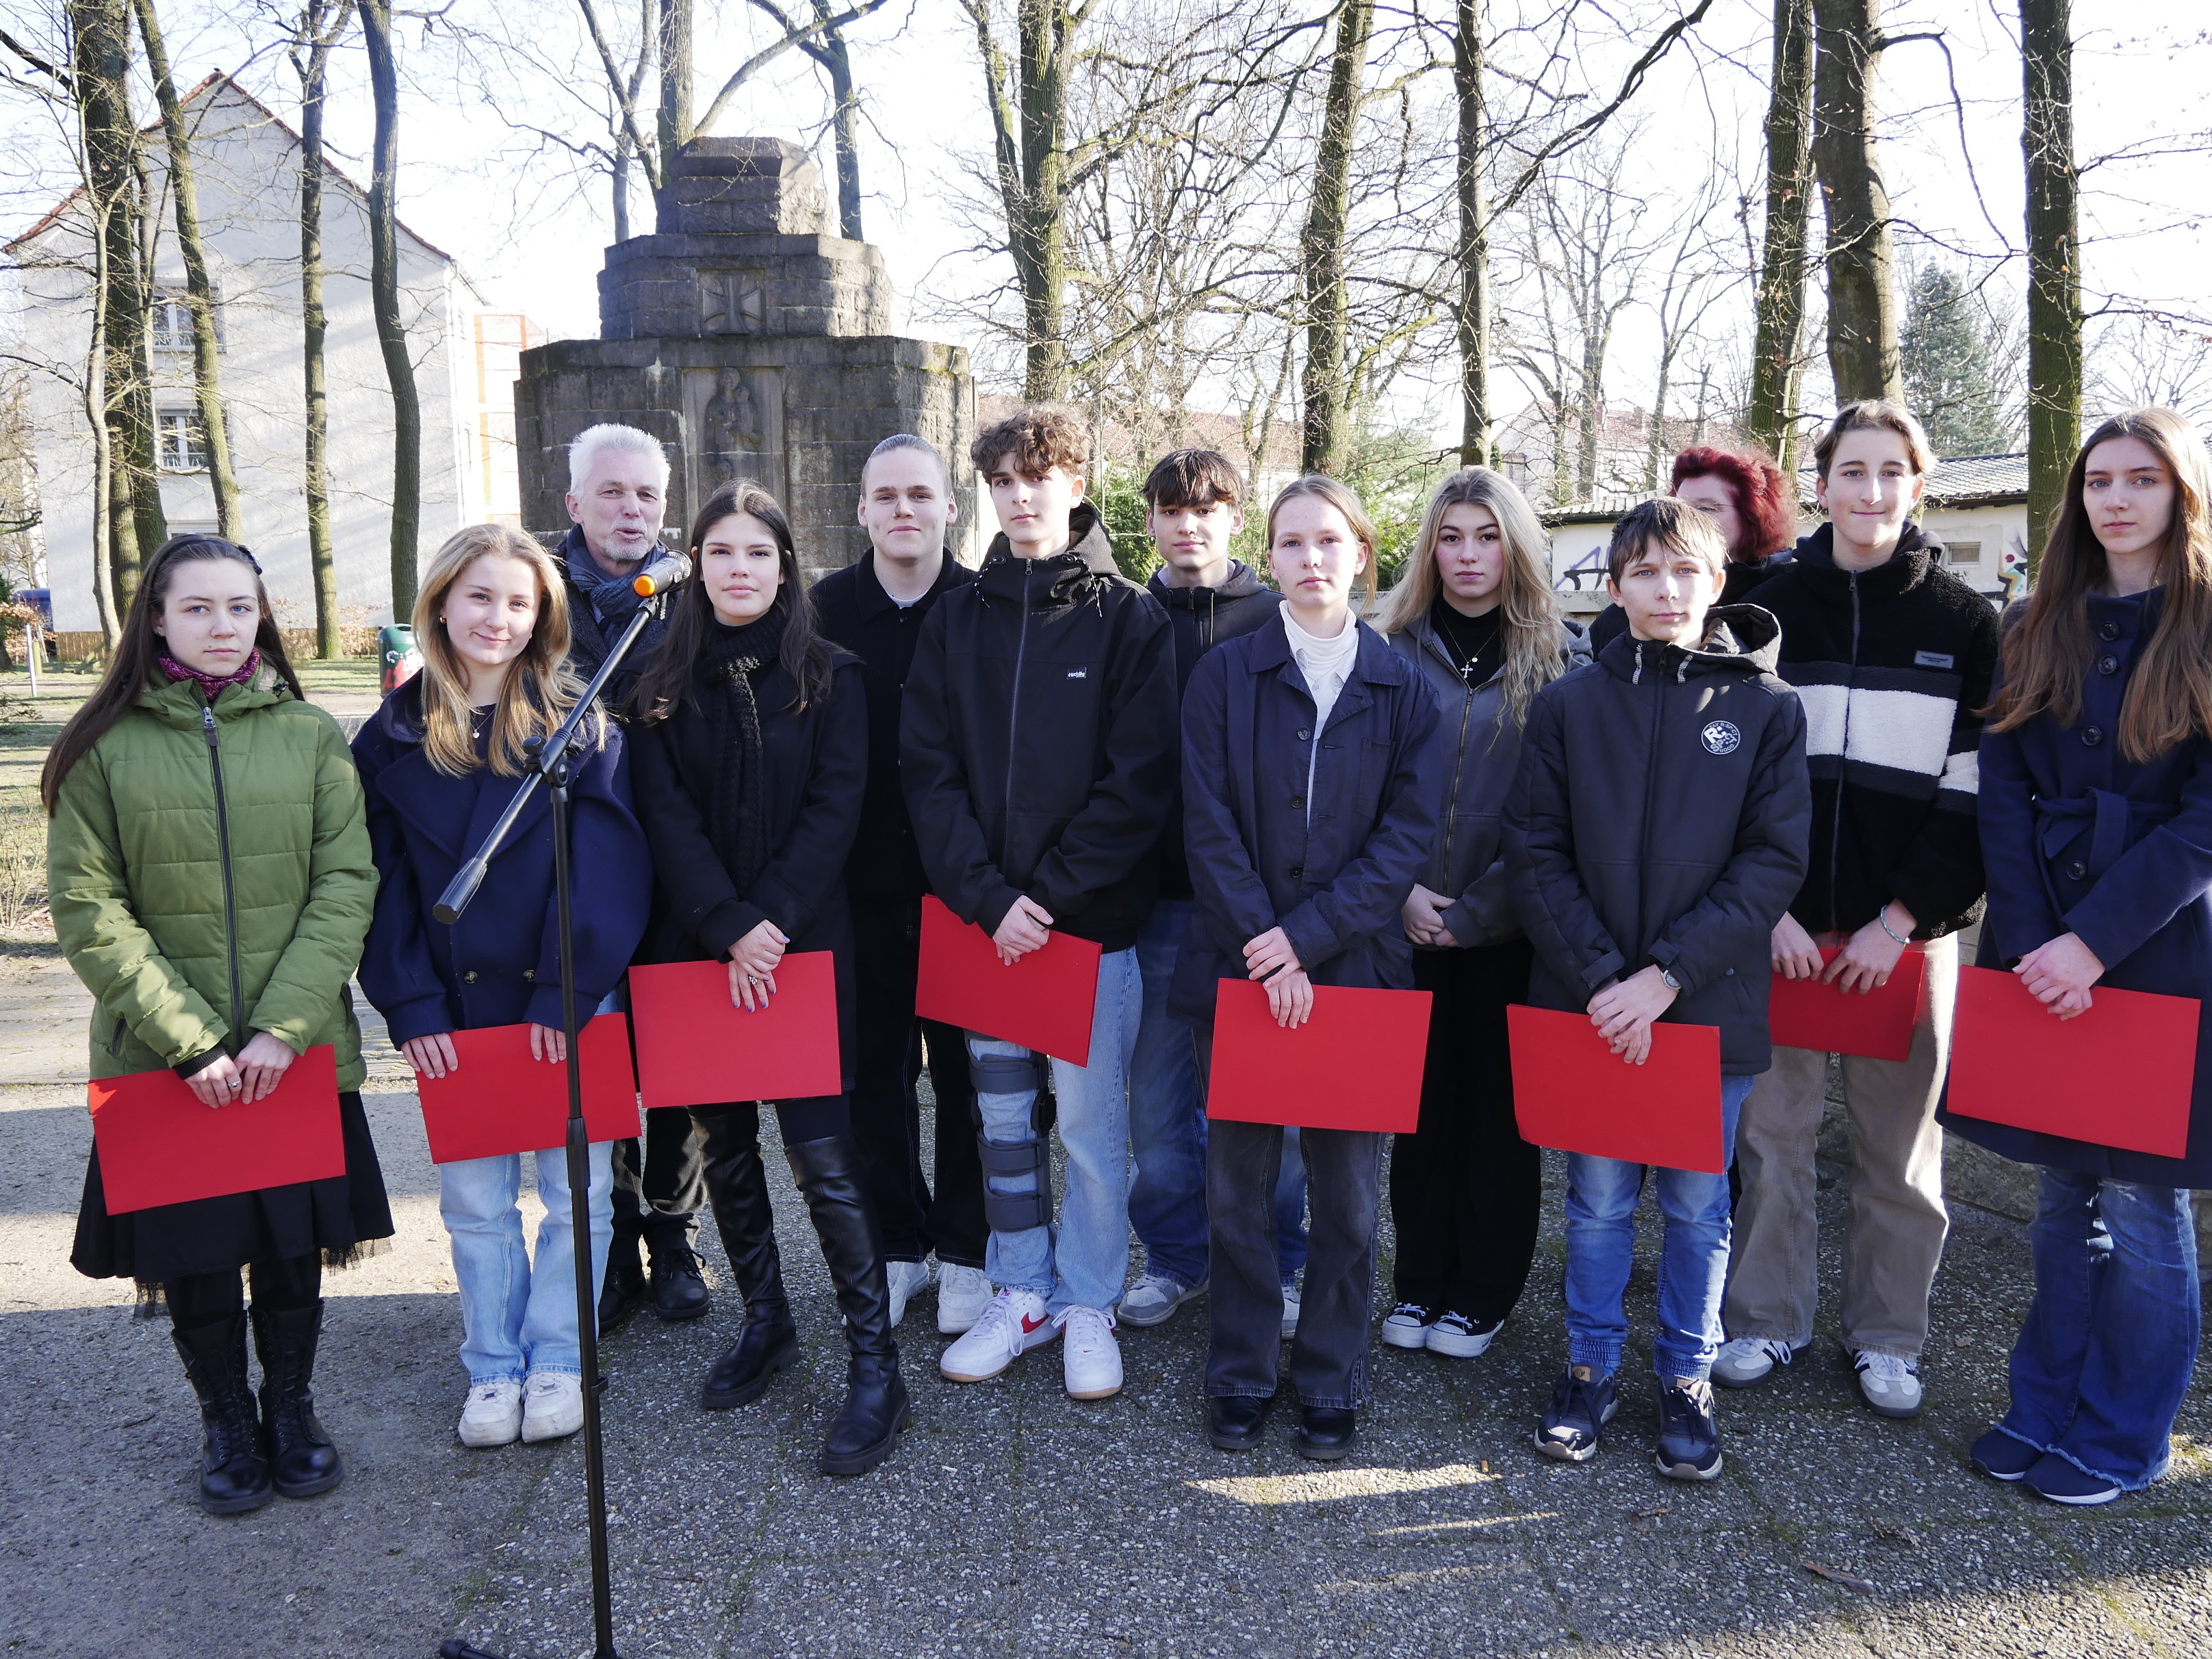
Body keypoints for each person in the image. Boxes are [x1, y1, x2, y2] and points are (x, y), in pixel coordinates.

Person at [44, 534, 387, 1515]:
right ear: (156, 616)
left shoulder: (311, 736)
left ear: (262, 617)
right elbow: (88, 908)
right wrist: (191, 1041)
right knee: (196, 1258)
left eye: (240, 608)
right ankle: (226, 1421)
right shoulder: (104, 748)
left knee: (286, 1249)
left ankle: (291, 1409)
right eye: (198, 608)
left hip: (294, 1051)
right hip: (163, 1061)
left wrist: (284, 1026)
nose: (222, 626)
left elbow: (344, 884)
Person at [1505, 497, 1810, 1480]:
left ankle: (1686, 1377)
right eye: (1644, 572)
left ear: (1719, 582)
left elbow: (1771, 863)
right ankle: (1589, 1367)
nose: (1665, 590)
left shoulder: (1767, 710)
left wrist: (1667, 978)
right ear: (1616, 585)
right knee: (1595, 1203)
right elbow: (1534, 852)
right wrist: (1607, 979)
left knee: (1695, 1206)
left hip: (1701, 1011)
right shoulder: (1568, 705)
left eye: (1684, 571)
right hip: (1593, 1005)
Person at [1945, 408, 2212, 1506]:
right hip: (2034, 940)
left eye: (2141, 480)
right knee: (2061, 1193)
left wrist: (2096, 944)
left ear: (2177, 496)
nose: (2116, 499)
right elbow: (2002, 789)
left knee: (2145, 1207)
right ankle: (2044, 1404)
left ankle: (2125, 1434)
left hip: (2154, 953)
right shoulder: (2035, 619)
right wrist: (2032, 938)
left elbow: (2205, 818)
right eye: (2099, 480)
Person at [1715, 400, 2001, 1420]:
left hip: (1904, 944)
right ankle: (1763, 1321)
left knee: (1900, 1154)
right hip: (1778, 936)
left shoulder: (1967, 624)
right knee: (1771, 1141)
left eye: (1892, 473)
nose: (1871, 492)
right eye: (1853, 471)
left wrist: (1903, 922)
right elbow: (1732, 782)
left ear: (1917, 487)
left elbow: (1975, 795)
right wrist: (1772, 912)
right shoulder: (1762, 608)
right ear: (1822, 482)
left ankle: (1888, 1339)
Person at [626, 479, 906, 1478]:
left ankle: (876, 1365)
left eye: (757, 553)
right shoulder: (658, 681)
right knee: (725, 1147)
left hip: (802, 948)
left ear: (787, 567)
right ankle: (768, 1322)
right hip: (693, 949)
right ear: (694, 568)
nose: (738, 570)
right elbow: (664, 817)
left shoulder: (834, 674)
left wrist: (770, 922)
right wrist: (723, 922)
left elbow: (839, 809)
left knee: (823, 1161)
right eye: (719, 554)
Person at [352, 525, 652, 1449]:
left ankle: (561, 1354)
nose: (499, 618)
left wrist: (563, 990)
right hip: (454, 1008)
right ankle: (493, 1368)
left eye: (519, 601)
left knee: (577, 1197)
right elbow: (379, 884)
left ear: (544, 615)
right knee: (477, 1203)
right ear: (441, 602)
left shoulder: (582, 725)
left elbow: (604, 872)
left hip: (567, 1000)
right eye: (480, 597)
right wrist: (409, 1004)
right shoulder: (391, 736)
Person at [903, 404, 1176, 1402]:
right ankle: (1020, 1292)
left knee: (1090, 1134)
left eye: (1038, 478)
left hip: (1084, 935)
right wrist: (986, 899)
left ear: (1073, 481)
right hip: (985, 934)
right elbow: (926, 773)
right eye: (1004, 483)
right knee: (1002, 1126)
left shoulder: (1129, 618)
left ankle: (1090, 1299)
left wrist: (1047, 901)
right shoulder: (956, 616)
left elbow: (1138, 784)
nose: (1021, 498)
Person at [1174, 475, 1441, 1461]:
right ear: (1271, 557)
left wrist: (1306, 941)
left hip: (1358, 976)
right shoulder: (1224, 675)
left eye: (1329, 541)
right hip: (1240, 970)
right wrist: (1264, 943)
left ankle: (1331, 1376)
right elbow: (1206, 826)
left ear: (1362, 553)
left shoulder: (1407, 687)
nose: (1311, 559)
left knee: (1348, 1200)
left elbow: (1405, 841)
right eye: (1291, 543)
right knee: (1236, 1192)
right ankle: (1241, 1369)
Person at [1374, 467, 1587, 1359]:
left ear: (1517, 546)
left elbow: (1564, 811)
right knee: (1418, 1112)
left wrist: (1482, 911)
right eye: (1451, 536)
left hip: (1510, 929)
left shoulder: (1563, 658)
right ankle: (1419, 1279)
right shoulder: (1386, 646)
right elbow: (1362, 789)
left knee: (1498, 1115)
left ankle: (1483, 1289)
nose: (1468, 556)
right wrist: (1404, 894)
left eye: (1487, 536)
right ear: (1430, 547)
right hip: (1405, 917)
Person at [1119, 447, 1307, 1335]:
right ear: (1149, 521)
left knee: (1272, 1101)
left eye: (1208, 508)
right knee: (1157, 1113)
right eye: (1172, 508)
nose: (1190, 523)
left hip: (1260, 907)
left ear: (1237, 518)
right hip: (1154, 903)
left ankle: (1286, 1259)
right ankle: (1176, 1255)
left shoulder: (1279, 622)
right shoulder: (1124, 618)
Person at [811, 434, 990, 1335]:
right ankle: (897, 1245)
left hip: (963, 895)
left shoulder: (983, 604)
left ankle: (965, 1249)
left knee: (967, 1080)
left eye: (920, 494)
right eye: (885, 497)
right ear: (863, 512)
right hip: (856, 894)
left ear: (951, 507)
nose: (903, 511)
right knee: (871, 1080)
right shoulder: (824, 610)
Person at [557, 422, 710, 1330]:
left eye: (646, 495)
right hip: (576, 873)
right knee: (601, 1061)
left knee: (683, 1070)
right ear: (574, 502)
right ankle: (616, 1235)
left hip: (679, 867)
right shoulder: (536, 598)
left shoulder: (691, 601)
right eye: (611, 492)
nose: (630, 509)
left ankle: (675, 1229)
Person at [1588, 446, 1800, 652]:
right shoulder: (1622, 616)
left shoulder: (1787, 599)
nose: (1687, 520)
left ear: (1752, 515)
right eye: (1680, 508)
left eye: (1706, 509)